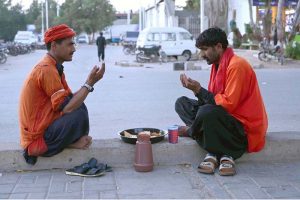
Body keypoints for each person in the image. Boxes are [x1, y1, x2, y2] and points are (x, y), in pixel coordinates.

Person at [175, 27, 268, 176]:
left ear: (218, 47)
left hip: (241, 128)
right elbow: (214, 100)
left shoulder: (237, 65)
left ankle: (204, 142)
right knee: (181, 103)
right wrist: (196, 91)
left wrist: (199, 90)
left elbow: (227, 105)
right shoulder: (217, 65)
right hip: (222, 118)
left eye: (204, 49)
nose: (202, 54)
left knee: (206, 112)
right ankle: (221, 152)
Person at [19, 24, 105, 165]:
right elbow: (67, 109)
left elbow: (70, 100)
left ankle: (71, 143)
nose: (74, 49)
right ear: (54, 46)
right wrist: (89, 84)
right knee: (78, 113)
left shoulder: (54, 67)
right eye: (70, 44)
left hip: (43, 131)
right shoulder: (47, 69)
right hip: (35, 142)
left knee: (79, 105)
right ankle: (70, 143)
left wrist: (89, 83)